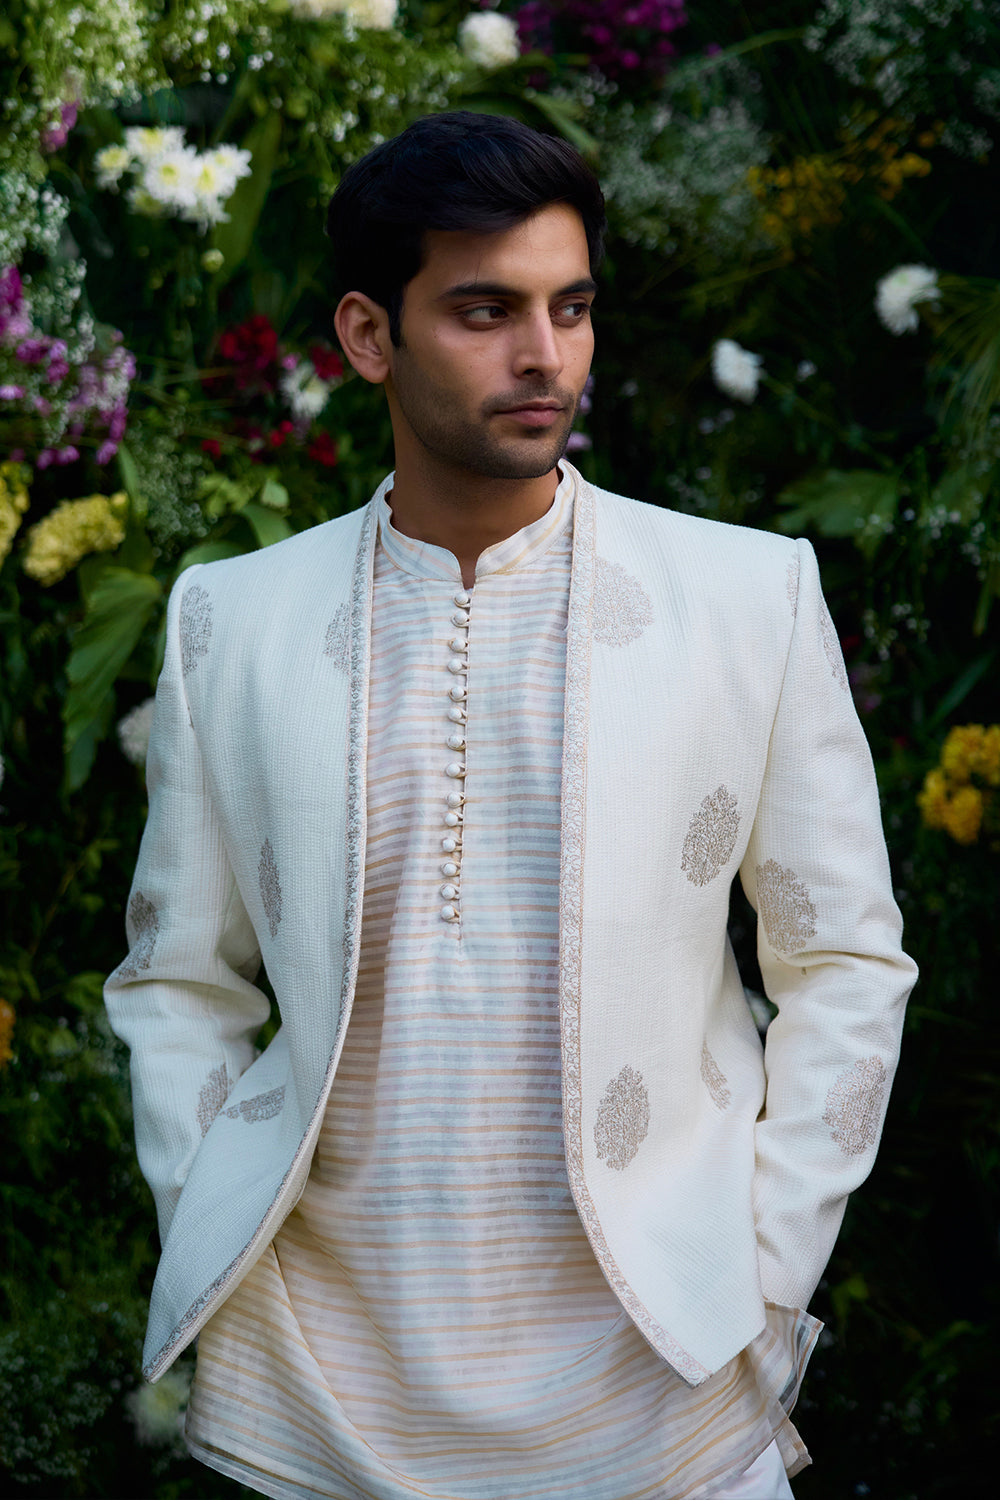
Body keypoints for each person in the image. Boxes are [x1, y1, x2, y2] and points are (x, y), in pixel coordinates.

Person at [105, 111, 917, 1500]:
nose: (546, 356)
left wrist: (764, 1280)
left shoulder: (744, 600)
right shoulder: (230, 624)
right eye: (485, 311)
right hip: (311, 1414)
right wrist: (210, 1228)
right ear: (371, 337)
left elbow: (845, 958)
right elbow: (179, 980)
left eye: (572, 307)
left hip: (668, 1400)